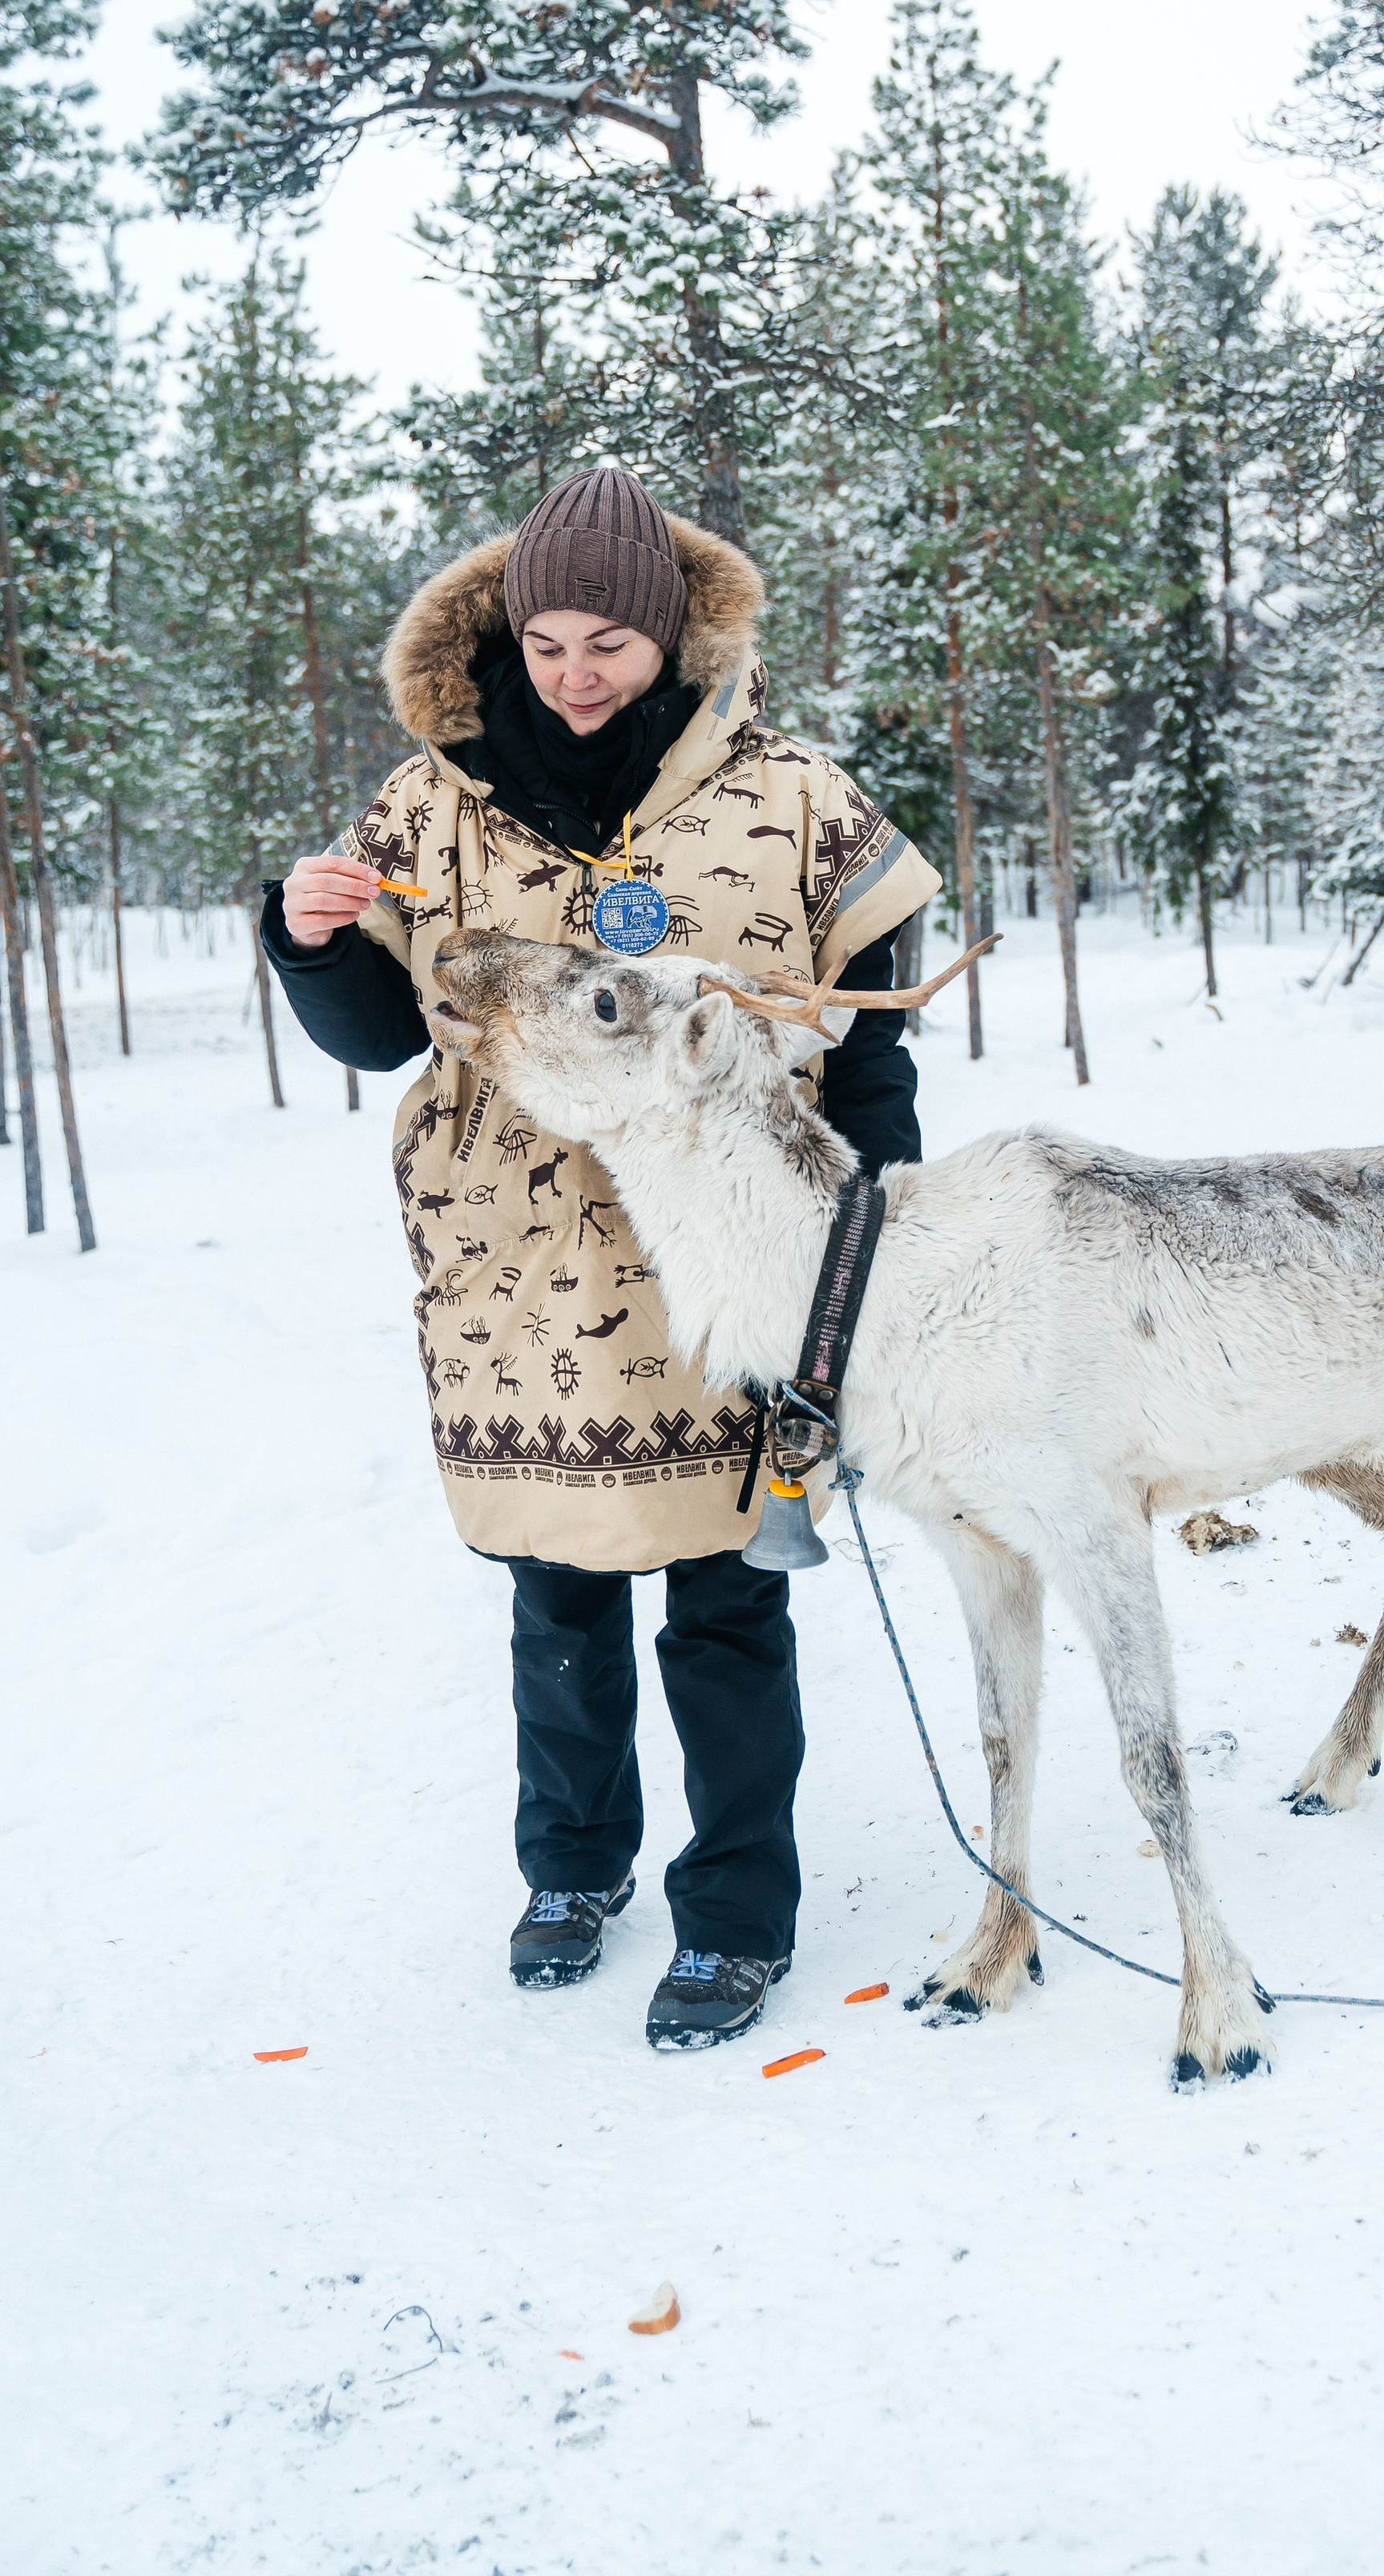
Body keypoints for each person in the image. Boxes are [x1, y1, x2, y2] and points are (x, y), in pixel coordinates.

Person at [265, 468, 938, 2053]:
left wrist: (873, 1239)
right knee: (554, 1592)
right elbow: (374, 1029)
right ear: (511, 634)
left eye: (611, 646)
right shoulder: (430, 801)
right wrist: (305, 935)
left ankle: (734, 1909)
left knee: (727, 1591)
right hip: (517, 1264)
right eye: (549, 640)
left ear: (671, 638)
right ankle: (569, 1871)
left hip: (732, 1262)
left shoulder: (783, 795)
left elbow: (870, 1034)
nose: (576, 672)